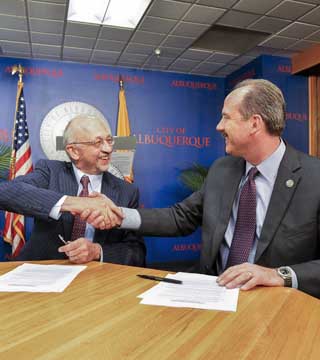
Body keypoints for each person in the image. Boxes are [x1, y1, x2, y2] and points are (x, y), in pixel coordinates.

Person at [81, 79, 320, 298]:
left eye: (226, 117)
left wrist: (278, 275)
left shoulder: (314, 177)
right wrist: (119, 215)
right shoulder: (222, 170)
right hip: (214, 294)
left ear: (254, 123)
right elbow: (180, 218)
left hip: (278, 306)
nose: (219, 126)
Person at [0, 115, 145, 266]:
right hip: (43, 274)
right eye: (98, 142)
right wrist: (75, 203)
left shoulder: (127, 191)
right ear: (74, 151)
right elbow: (6, 192)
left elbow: (137, 252)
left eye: (109, 140)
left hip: (96, 280)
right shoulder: (50, 171)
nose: (108, 149)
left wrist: (97, 251)